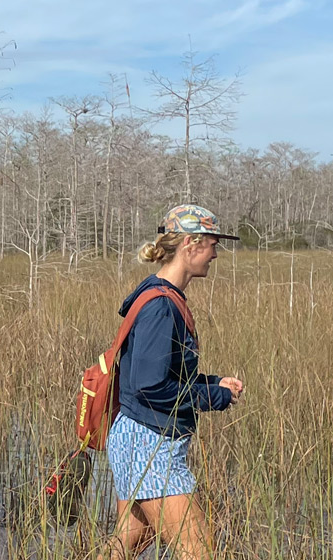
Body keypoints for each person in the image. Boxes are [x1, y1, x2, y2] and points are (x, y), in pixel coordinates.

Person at [100, 204, 246, 560]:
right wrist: (214, 396)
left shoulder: (163, 297)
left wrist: (213, 382)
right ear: (190, 245)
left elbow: (159, 375)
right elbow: (150, 388)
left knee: (129, 544)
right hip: (149, 444)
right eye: (212, 243)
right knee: (199, 552)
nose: (215, 253)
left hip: (141, 438)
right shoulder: (160, 306)